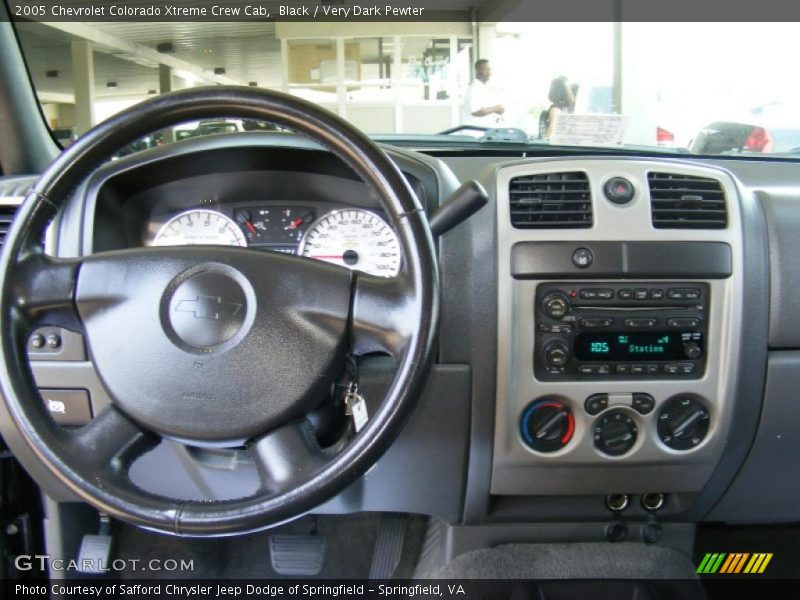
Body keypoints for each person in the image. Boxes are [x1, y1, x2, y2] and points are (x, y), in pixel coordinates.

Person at [461, 59, 505, 128]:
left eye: (489, 70)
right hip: (474, 134)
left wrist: (496, 109)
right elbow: (476, 111)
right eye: (486, 70)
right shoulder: (474, 89)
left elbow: (485, 108)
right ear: (477, 71)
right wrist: (495, 109)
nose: (489, 73)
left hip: (484, 132)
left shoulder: (483, 87)